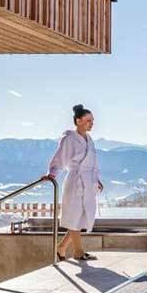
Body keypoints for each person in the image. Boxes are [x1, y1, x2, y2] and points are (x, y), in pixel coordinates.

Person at [43, 104, 103, 261]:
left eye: (92, 120)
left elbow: (93, 163)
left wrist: (96, 180)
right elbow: (59, 158)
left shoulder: (89, 140)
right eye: (88, 120)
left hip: (88, 183)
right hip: (75, 182)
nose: (92, 123)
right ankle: (78, 251)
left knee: (82, 217)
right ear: (78, 121)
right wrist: (52, 173)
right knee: (74, 216)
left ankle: (61, 247)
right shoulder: (69, 139)